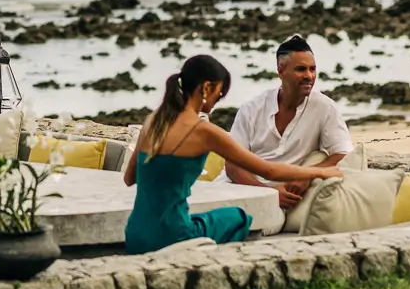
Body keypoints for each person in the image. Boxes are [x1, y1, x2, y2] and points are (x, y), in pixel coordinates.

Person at [123, 54, 341, 254]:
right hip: (171, 235)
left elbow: (129, 178)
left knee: (204, 216)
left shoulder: (153, 121)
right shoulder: (204, 131)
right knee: (237, 218)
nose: (220, 98)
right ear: (206, 87)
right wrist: (320, 172)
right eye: (220, 92)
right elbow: (269, 170)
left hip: (134, 233)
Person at [222, 35, 354, 211]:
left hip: (278, 201)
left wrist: (306, 176)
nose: (309, 76)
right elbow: (232, 165)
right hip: (235, 188)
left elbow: (343, 153)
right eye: (301, 69)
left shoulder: (325, 108)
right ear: (281, 71)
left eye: (312, 69)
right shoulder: (252, 108)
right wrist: (268, 194)